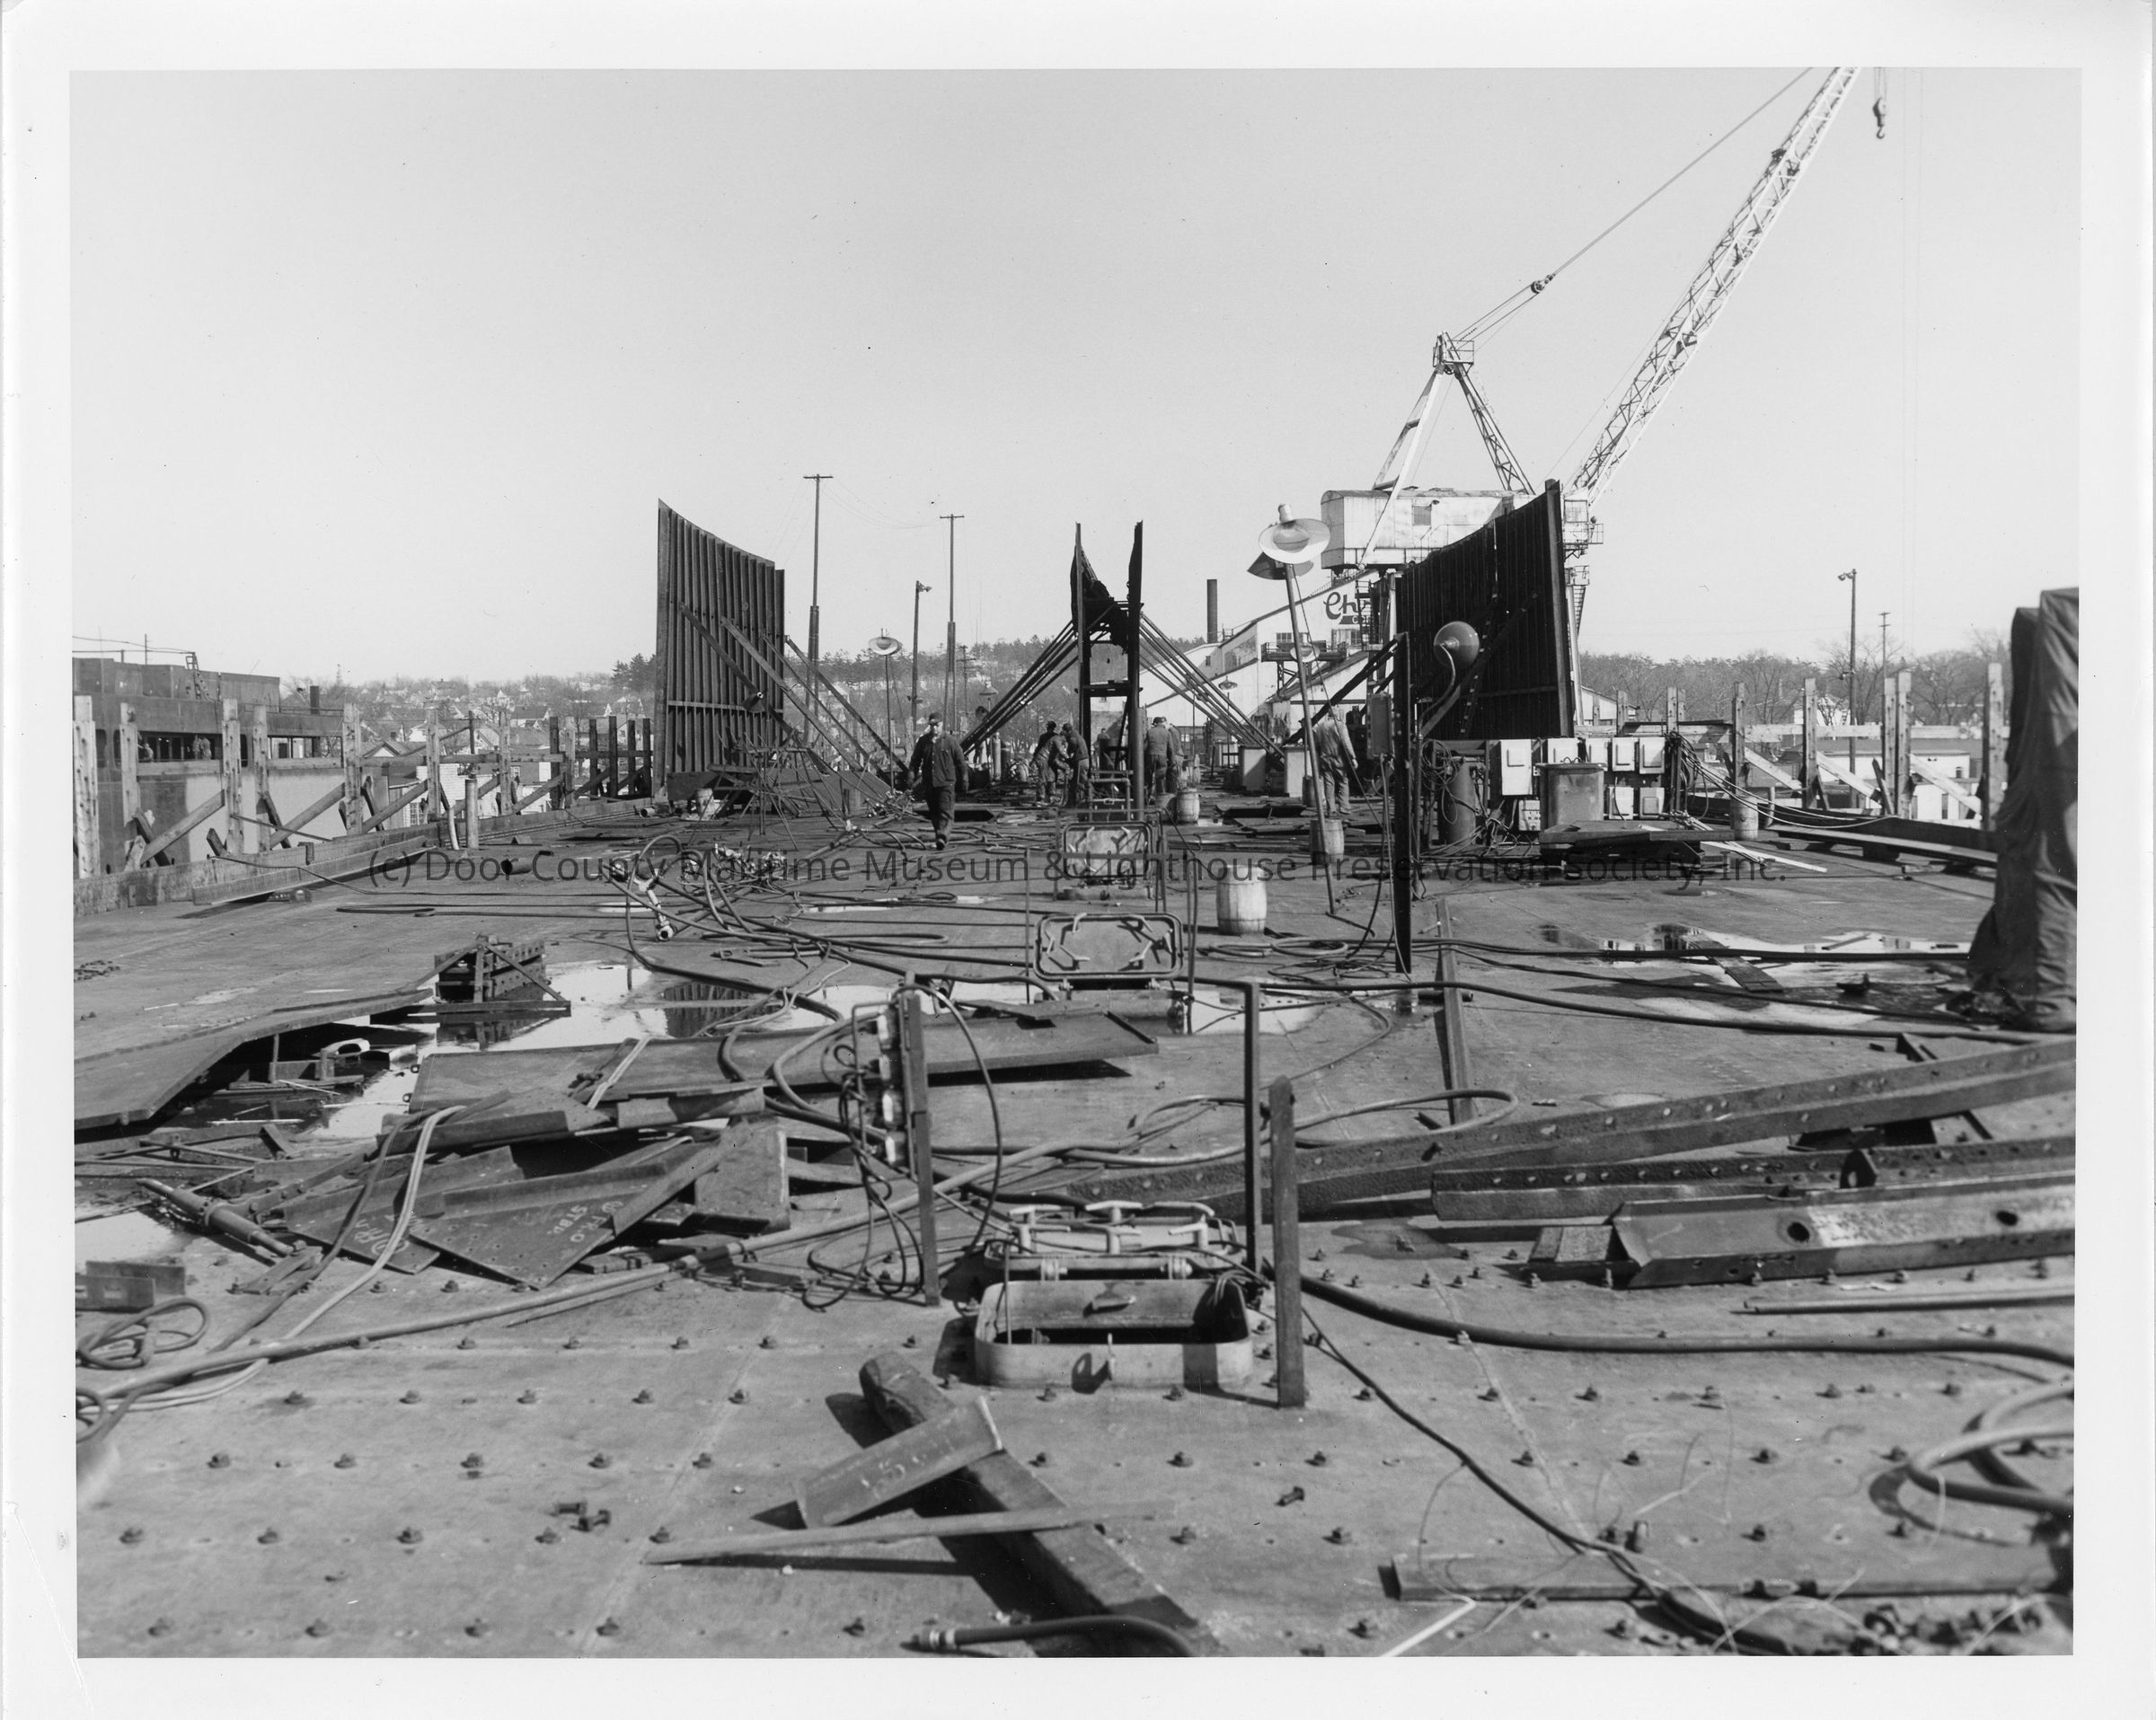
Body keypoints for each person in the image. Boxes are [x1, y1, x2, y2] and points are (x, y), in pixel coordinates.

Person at [906, 711, 968, 849]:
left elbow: (961, 762)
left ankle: (942, 837)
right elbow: (915, 760)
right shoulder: (923, 742)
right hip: (930, 783)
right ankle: (939, 836)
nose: (934, 728)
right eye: (932, 725)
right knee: (934, 812)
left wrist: (964, 779)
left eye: (937, 725)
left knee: (945, 811)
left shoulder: (950, 741)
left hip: (946, 783)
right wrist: (911, 775)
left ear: (942, 725)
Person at [1312, 710, 1356, 813]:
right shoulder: (1340, 726)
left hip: (1325, 759)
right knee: (1342, 782)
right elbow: (1346, 743)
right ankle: (1344, 807)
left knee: (1329, 784)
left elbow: (1316, 746)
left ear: (1328, 715)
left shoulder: (1320, 727)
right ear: (1337, 715)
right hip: (1338, 759)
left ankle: (1331, 809)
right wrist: (1352, 757)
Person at [1143, 715, 1182, 802]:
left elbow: (1144, 747)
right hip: (1162, 757)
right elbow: (1171, 748)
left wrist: (1145, 760)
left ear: (1155, 724)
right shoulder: (1167, 733)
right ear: (1161, 724)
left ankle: (1146, 798)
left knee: (1148, 777)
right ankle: (1161, 800)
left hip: (1151, 756)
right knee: (1160, 778)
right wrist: (1172, 762)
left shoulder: (1150, 731)